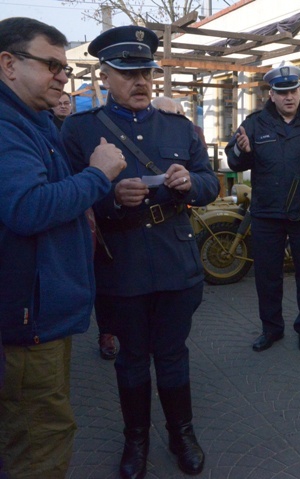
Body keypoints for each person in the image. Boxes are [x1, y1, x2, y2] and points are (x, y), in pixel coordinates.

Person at [62, 25, 220, 478]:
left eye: (146, 71)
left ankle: (181, 432)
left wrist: (192, 183)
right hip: (122, 263)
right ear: (105, 76)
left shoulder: (177, 124)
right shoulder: (80, 130)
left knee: (172, 353)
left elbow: (210, 181)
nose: (141, 81)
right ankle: (135, 440)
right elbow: (69, 194)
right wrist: (110, 199)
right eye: (127, 73)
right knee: (132, 358)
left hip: (175, 258)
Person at [0, 17, 126, 478]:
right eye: (51, 64)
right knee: (41, 440)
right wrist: (98, 176)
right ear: (8, 64)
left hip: (36, 312)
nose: (61, 75)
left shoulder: (29, 118)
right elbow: (28, 208)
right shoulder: (7, 125)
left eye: (65, 68)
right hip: (28, 321)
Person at [226, 62, 300, 354]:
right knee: (268, 276)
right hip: (267, 214)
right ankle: (271, 329)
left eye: (294, 90)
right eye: (282, 92)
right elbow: (234, 161)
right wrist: (241, 150)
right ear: (272, 95)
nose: (289, 97)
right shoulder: (254, 124)